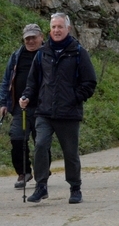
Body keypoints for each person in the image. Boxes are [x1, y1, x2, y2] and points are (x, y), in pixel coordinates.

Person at [20, 13, 97, 204]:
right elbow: (32, 82)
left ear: (68, 29)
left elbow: (89, 82)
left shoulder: (78, 52)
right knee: (40, 145)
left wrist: (74, 98)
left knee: (70, 153)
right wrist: (26, 96)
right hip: (44, 111)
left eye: (60, 27)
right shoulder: (42, 53)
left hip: (68, 113)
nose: (56, 30)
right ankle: (41, 186)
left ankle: (75, 187)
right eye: (53, 27)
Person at [0, 24, 45, 189]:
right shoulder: (16, 56)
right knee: (17, 139)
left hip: (43, 107)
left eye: (33, 37)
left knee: (41, 142)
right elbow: (7, 80)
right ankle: (23, 172)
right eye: (27, 38)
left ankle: (42, 173)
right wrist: (3, 103)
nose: (30, 41)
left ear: (41, 37)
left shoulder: (47, 54)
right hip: (21, 107)